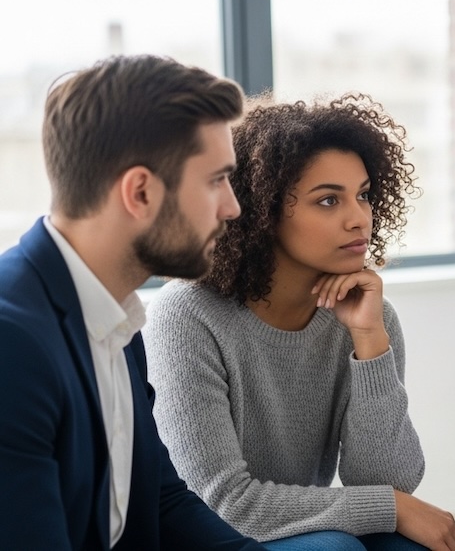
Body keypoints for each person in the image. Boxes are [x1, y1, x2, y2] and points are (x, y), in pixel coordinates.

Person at [142, 95, 455, 551]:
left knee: (407, 547)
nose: (359, 218)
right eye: (328, 200)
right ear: (263, 211)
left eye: (364, 195)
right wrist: (391, 507)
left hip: (292, 524)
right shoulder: (186, 315)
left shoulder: (368, 316)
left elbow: (387, 480)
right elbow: (220, 502)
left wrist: (369, 341)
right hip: (208, 538)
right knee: (338, 548)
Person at [0, 55, 263, 550]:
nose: (232, 207)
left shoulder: (116, 316)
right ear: (140, 192)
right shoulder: (12, 343)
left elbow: (163, 502)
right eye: (215, 180)